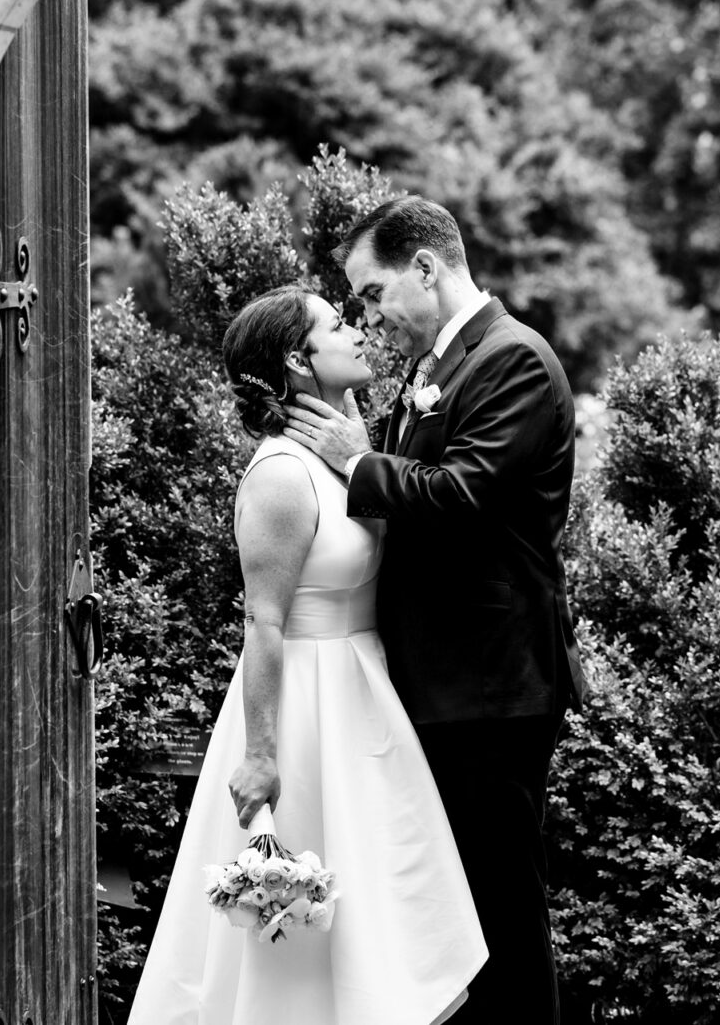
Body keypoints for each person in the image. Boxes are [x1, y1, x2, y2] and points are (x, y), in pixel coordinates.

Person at [128, 285, 486, 1025]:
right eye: (337, 325)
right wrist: (260, 755)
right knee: (297, 926)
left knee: (382, 905)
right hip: (305, 711)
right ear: (297, 359)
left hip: (364, 700)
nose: (357, 331)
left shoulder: (344, 453)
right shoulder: (282, 474)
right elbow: (264, 622)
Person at [282, 196, 586, 1025]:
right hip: (443, 685)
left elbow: (464, 498)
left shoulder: (513, 360)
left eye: (375, 292)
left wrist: (357, 459)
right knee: (452, 922)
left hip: (492, 689)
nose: (371, 315)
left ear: (425, 267)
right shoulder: (437, 368)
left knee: (503, 916)